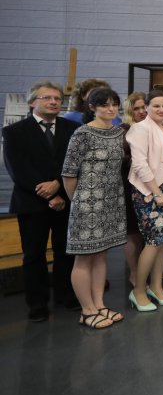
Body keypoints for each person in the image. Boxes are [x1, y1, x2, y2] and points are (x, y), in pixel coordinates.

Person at [2, 81, 80, 322]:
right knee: (34, 255)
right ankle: (37, 304)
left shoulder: (73, 128)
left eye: (57, 98)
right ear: (32, 102)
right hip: (31, 202)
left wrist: (58, 185)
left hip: (65, 200)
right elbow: (17, 168)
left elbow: (76, 163)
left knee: (65, 252)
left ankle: (66, 295)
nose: (54, 102)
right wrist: (49, 193)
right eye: (47, 98)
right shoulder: (14, 131)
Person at [61, 88, 127, 328]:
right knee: (83, 257)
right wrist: (78, 201)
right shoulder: (82, 134)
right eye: (104, 105)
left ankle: (99, 305)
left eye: (114, 104)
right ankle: (87, 311)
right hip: (86, 203)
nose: (111, 109)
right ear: (92, 107)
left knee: (101, 255)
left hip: (112, 202)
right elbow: (69, 173)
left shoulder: (118, 132)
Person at [126, 90, 163, 311]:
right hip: (150, 192)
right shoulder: (140, 129)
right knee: (153, 241)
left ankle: (156, 286)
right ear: (146, 108)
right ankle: (138, 291)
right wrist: (156, 192)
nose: (161, 110)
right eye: (156, 106)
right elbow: (139, 164)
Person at [121, 91, 147, 287]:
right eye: (136, 108)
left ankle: (146, 269)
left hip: (151, 187)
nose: (141, 111)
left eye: (144, 107)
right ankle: (134, 273)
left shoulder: (155, 128)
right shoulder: (124, 130)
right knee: (133, 234)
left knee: (148, 234)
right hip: (130, 187)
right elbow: (122, 161)